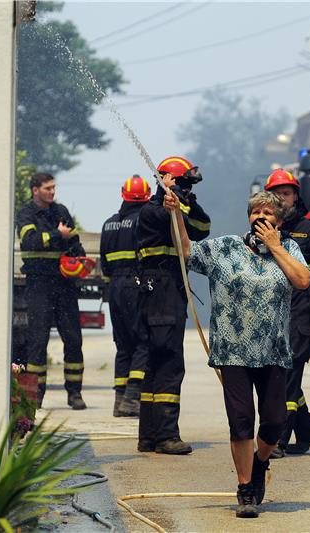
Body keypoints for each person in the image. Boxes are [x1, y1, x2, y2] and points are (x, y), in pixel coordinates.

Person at [175, 190, 310, 518]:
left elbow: (303, 281)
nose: (260, 218)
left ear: (279, 223)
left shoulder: (289, 249)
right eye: (255, 213)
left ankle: (260, 462)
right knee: (240, 422)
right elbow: (187, 250)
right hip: (233, 350)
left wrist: (276, 247)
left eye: (268, 214)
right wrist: (176, 214)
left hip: (273, 351)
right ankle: (246, 487)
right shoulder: (226, 248)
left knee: (275, 422)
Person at [136, 156, 210, 455]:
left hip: (165, 288)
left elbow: (202, 226)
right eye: (182, 183)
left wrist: (183, 200)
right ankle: (165, 435)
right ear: (167, 180)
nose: (185, 190)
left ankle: (148, 436)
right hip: (161, 287)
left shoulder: (180, 206)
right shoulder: (153, 210)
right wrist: (174, 202)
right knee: (167, 360)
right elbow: (170, 219)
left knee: (156, 361)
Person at [264, 169, 310, 457]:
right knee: (279, 374)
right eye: (276, 194)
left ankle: (278, 441)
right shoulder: (265, 228)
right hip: (272, 311)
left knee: (289, 372)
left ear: (296, 196)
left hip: (301, 312)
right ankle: (308, 430)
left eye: (286, 193)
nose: (281, 198)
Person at [16, 172, 88, 410]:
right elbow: (30, 242)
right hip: (38, 284)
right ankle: (35, 396)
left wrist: (79, 259)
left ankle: (75, 393)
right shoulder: (26, 213)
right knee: (37, 341)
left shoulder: (61, 212)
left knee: (73, 338)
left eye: (53, 188)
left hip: (64, 284)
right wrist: (57, 235)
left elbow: (74, 241)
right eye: (47, 188)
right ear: (35, 190)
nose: (52, 192)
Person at [100, 175, 151, 417]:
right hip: (135, 284)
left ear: (123, 194)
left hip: (114, 287)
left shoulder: (109, 223)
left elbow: (104, 263)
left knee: (123, 344)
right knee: (144, 339)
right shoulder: (143, 220)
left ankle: (119, 401)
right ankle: (132, 396)